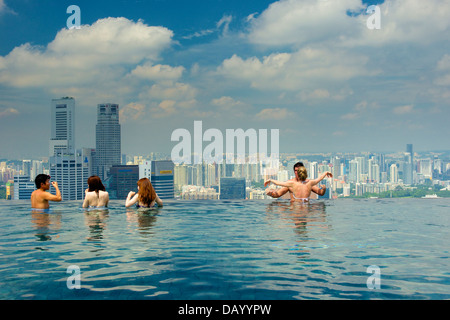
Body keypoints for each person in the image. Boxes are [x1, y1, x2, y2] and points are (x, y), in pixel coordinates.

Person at [265, 166, 332, 203]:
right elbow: (319, 178)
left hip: (296, 207)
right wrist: (326, 172)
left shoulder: (293, 184)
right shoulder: (310, 183)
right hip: (306, 206)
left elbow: (279, 183)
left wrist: (270, 180)